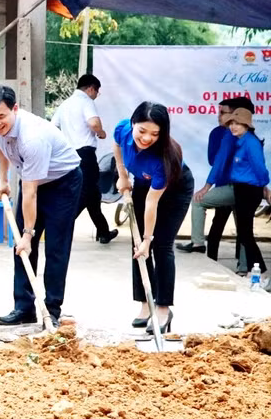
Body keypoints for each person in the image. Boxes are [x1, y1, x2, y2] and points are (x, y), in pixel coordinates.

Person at [0, 85, 82, 328]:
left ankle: (51, 310)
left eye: (1, 116)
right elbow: (2, 148)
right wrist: (3, 180)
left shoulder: (33, 137)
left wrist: (28, 233)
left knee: (55, 247)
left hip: (62, 183)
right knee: (21, 248)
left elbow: (30, 192)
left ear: (15, 109)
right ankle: (24, 308)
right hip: (32, 180)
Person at [113, 102, 194, 333]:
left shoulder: (165, 158)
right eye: (142, 131)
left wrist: (148, 238)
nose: (147, 138)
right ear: (133, 124)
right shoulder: (122, 129)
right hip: (143, 183)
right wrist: (122, 175)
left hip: (175, 189)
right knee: (137, 245)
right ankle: (145, 304)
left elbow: (152, 202)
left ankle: (163, 309)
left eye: (155, 134)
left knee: (160, 245)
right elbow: (117, 146)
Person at [178, 97, 250, 274]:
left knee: (243, 229)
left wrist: (206, 187)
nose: (219, 116)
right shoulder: (225, 134)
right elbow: (216, 162)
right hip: (228, 186)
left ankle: (201, 246)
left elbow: (254, 166)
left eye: (223, 113)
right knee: (223, 226)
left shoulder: (240, 136)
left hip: (239, 188)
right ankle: (218, 260)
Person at [198, 107, 269, 283]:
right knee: (245, 233)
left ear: (247, 125)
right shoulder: (239, 141)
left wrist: (264, 188)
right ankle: (255, 271)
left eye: (238, 123)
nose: (233, 126)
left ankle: (261, 272)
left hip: (249, 190)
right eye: (231, 123)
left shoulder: (250, 142)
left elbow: (260, 169)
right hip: (240, 188)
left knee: (245, 233)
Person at [51, 74, 118, 243]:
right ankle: (61, 226)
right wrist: (101, 133)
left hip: (70, 155)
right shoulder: (86, 101)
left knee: (93, 194)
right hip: (85, 155)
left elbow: (53, 126)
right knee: (85, 192)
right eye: (97, 91)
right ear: (90, 89)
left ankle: (103, 232)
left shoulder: (65, 104)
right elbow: (94, 123)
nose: (96, 95)